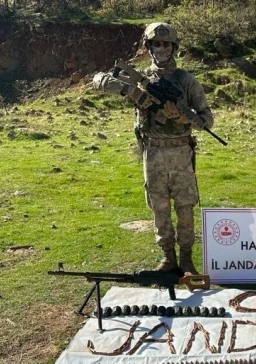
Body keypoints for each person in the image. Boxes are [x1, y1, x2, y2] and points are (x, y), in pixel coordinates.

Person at [92, 22, 214, 274]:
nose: (161, 49)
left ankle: (187, 260)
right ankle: (168, 259)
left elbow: (207, 120)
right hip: (153, 152)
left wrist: (184, 118)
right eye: (156, 44)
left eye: (166, 44)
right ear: (148, 47)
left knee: (185, 207)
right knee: (158, 207)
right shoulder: (141, 79)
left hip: (180, 152)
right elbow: (97, 79)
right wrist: (129, 91)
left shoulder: (186, 81)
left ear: (174, 47)